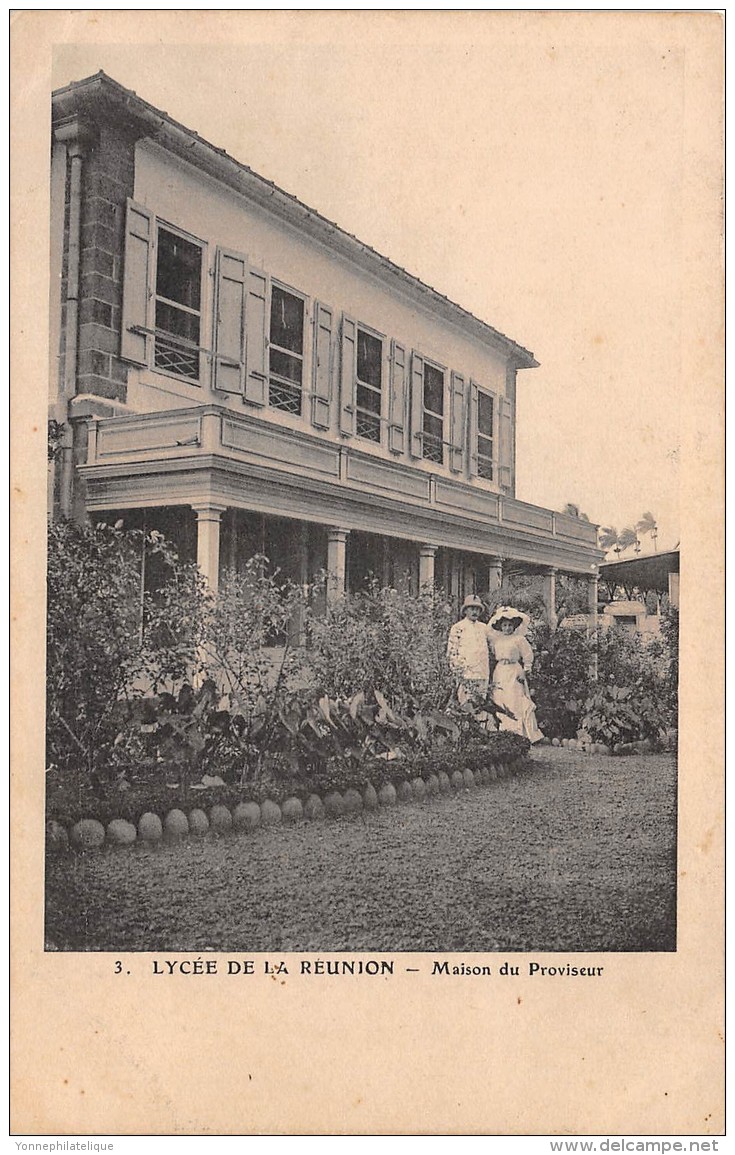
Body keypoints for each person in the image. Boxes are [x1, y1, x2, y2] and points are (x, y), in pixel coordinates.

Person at [487, 605, 544, 743]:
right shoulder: (497, 640)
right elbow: (494, 654)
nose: (507, 628)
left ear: (514, 626)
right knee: (500, 698)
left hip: (514, 671)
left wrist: (525, 671)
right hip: (500, 671)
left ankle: (518, 732)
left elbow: (527, 656)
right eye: (504, 625)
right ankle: (502, 731)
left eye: (510, 625)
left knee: (514, 698)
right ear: (500, 626)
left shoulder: (519, 639)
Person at [446, 594, 492, 710]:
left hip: (482, 672)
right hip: (466, 674)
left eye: (477, 609)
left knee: (480, 705)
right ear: (465, 610)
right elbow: (452, 651)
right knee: (465, 705)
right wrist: (457, 671)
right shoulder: (458, 627)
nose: (474, 612)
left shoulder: (484, 628)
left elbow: (492, 646)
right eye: (472, 608)